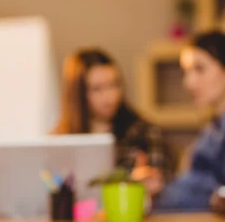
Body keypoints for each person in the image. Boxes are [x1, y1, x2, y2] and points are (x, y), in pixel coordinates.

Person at [155, 31, 225, 215]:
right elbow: (191, 188)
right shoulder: (212, 129)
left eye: (200, 69)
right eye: (186, 72)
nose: (189, 82)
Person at [52, 48, 174, 195]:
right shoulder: (59, 141)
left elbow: (166, 182)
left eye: (114, 85)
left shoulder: (145, 134)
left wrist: (140, 183)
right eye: (97, 89)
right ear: (78, 94)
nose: (109, 96)